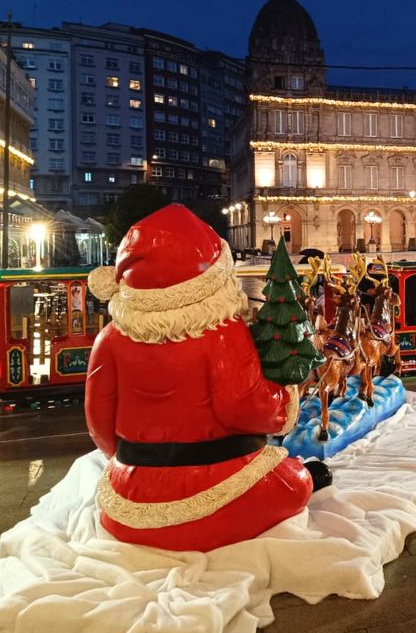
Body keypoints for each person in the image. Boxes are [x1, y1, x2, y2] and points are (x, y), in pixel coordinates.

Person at [84, 204, 330, 552]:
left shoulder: (109, 338)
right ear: (211, 278)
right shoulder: (222, 334)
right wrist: (283, 395)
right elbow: (244, 408)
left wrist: (133, 465)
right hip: (215, 492)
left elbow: (98, 422)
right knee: (295, 482)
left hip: (128, 501)